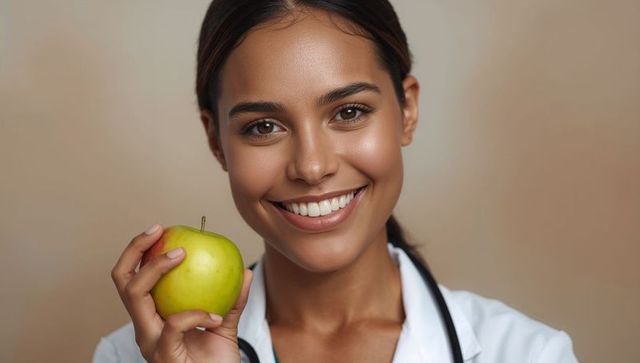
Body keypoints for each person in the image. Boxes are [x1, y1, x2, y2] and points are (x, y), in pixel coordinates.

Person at [94, 1, 580, 362]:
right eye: (263, 126)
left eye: (349, 112)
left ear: (407, 110)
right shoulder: (126, 357)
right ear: (216, 139)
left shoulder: (529, 354)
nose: (311, 166)